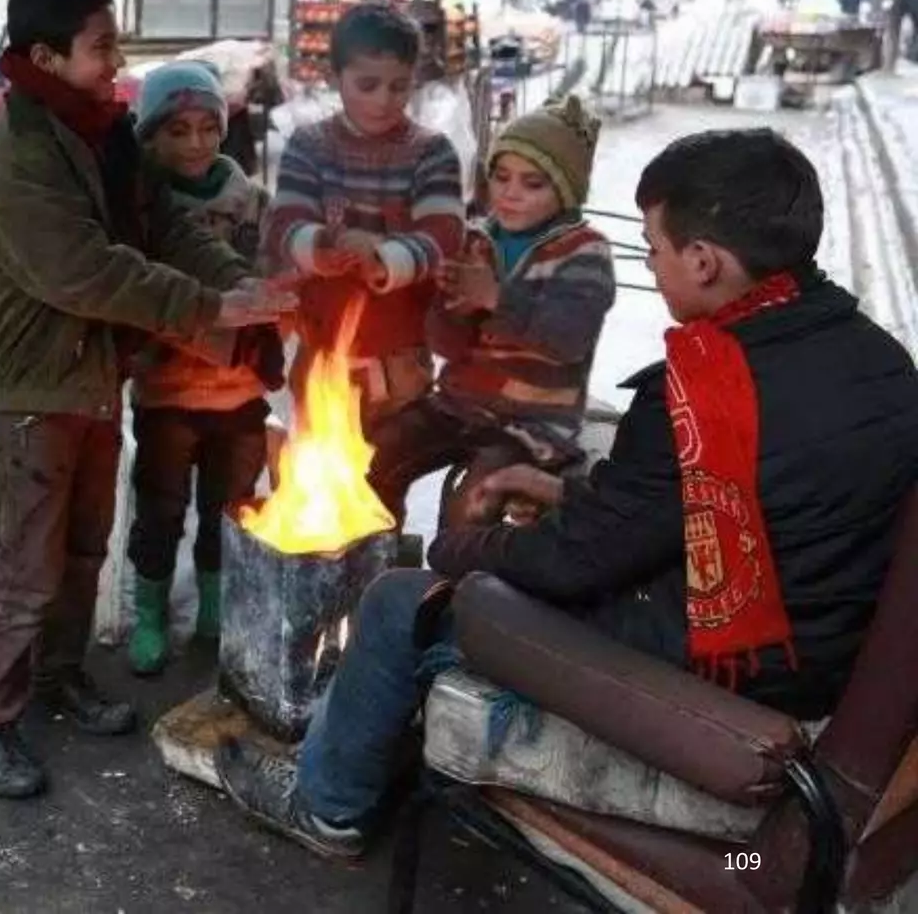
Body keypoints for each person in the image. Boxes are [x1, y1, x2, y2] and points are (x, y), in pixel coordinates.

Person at [215, 128, 918, 861]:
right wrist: (568, 491)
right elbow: (724, 503)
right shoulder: (881, 358)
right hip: (816, 653)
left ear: (705, 262)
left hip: (726, 686)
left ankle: (326, 807)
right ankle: (378, 732)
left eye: (655, 248)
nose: (652, 262)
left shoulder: (704, 390)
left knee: (402, 599)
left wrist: (460, 550)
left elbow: (571, 567)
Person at [0, 0, 294, 799]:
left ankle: (57, 678)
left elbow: (168, 227)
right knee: (28, 564)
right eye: (102, 46)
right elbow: (90, 272)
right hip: (37, 387)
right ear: (46, 55)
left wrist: (237, 289)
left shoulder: (102, 134)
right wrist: (212, 308)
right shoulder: (21, 158)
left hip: (95, 378)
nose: (117, 62)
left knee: (83, 547)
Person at [366, 95, 616, 526]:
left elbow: (567, 342)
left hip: (533, 425)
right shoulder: (478, 240)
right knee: (372, 458)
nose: (511, 194)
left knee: (472, 506)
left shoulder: (584, 252)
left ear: (566, 188)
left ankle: (457, 589)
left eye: (532, 184)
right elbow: (446, 345)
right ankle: (376, 566)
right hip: (460, 405)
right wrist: (450, 310)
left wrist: (496, 297)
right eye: (501, 177)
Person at [124, 61, 285, 677]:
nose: (194, 143)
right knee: (160, 510)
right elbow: (137, 300)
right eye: (176, 130)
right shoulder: (142, 214)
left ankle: (217, 614)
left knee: (233, 508)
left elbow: (276, 286)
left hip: (240, 400)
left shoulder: (254, 206)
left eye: (207, 127)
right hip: (165, 396)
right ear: (149, 138)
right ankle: (150, 617)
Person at [262, 1, 466, 425]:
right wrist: (326, 245)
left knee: (384, 484)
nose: (383, 100)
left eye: (399, 86)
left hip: (401, 360)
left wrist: (385, 258)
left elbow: (445, 237)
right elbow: (284, 227)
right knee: (319, 481)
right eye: (367, 84)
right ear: (336, 78)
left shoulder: (432, 153)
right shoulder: (310, 146)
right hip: (323, 353)